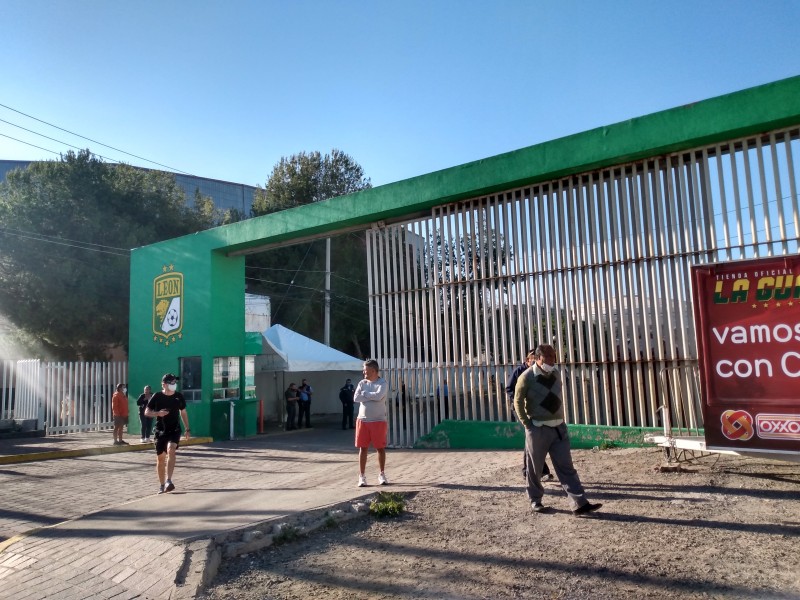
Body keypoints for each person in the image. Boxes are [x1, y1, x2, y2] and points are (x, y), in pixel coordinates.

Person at [513, 344, 602, 516]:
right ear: (538, 359)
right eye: (548, 358)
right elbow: (517, 401)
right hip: (537, 428)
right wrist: (527, 424)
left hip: (558, 427)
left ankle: (579, 503)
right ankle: (535, 501)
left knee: (566, 467)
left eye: (554, 357)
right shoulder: (526, 377)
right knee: (535, 468)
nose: (552, 361)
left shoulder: (555, 373)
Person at [506, 350, 553, 480]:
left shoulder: (539, 372)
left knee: (534, 439)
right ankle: (531, 470)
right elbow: (509, 389)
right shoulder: (519, 371)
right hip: (521, 409)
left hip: (535, 410)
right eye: (533, 360)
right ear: (527, 361)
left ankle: (534, 470)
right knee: (532, 437)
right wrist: (520, 400)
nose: (535, 362)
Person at [144, 373, 190, 494]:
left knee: (171, 450)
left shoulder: (179, 396)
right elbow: (147, 412)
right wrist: (157, 413)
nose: (174, 385)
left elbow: (183, 412)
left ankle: (169, 480)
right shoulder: (157, 396)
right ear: (164, 384)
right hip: (160, 431)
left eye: (175, 382)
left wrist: (187, 428)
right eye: (172, 382)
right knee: (160, 459)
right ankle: (162, 484)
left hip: (174, 430)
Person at [354, 359, 389, 487]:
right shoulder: (362, 383)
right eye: (364, 370)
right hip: (362, 420)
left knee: (380, 448)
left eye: (366, 370)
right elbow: (356, 398)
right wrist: (371, 395)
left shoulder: (382, 383)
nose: (364, 372)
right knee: (363, 448)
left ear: (373, 370)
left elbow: (379, 396)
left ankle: (382, 474)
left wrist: (365, 394)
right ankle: (362, 476)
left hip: (378, 421)